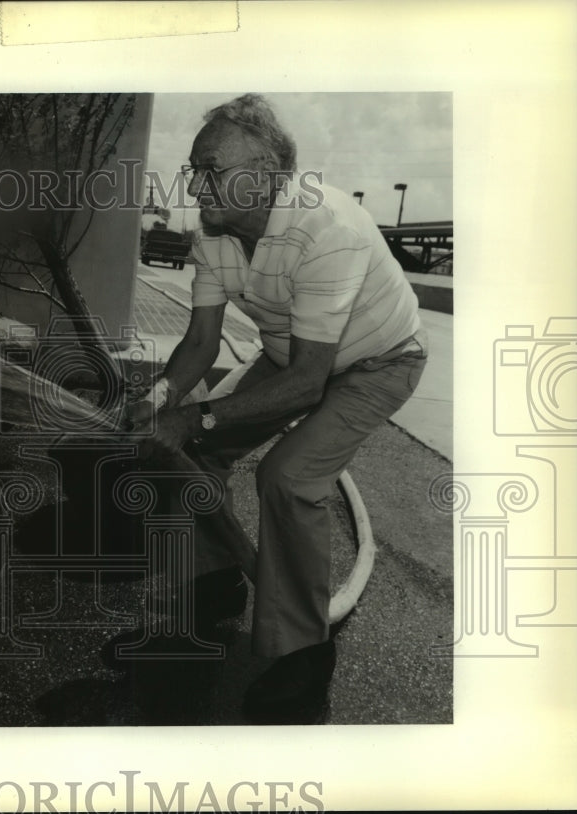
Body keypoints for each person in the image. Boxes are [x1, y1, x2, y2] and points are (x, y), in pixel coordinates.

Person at [125, 94, 428, 724]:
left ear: (264, 174)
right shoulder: (215, 231)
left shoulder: (327, 231)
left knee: (289, 479)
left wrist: (197, 416)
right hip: (295, 355)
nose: (193, 184)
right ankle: (210, 601)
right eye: (192, 167)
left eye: (211, 169)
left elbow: (311, 382)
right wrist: (160, 400)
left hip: (376, 360)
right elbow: (201, 340)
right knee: (194, 453)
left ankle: (303, 665)